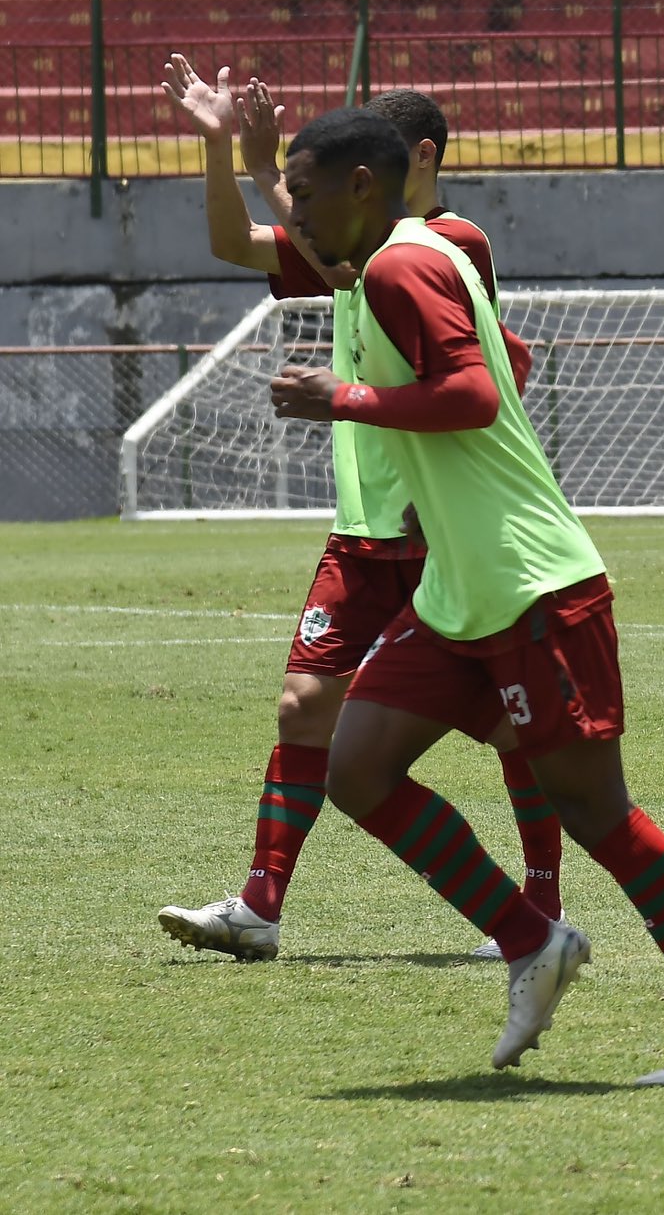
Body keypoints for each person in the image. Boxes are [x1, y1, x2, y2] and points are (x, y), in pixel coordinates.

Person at [268, 106, 664, 1084]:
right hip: (459, 588)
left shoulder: (398, 264)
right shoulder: (398, 263)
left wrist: (348, 399)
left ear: (360, 185)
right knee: (357, 766)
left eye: (303, 190)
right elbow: (507, 360)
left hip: (530, 582)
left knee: (595, 812)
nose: (293, 211)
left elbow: (477, 393)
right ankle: (529, 939)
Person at [153, 57, 564, 961]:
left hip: (439, 531)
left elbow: (343, 262)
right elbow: (237, 245)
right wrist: (224, 151)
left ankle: (541, 903)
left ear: (405, 161)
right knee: (304, 707)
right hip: (361, 531)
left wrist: (268, 167)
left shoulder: (449, 243)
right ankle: (260, 906)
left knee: (508, 726)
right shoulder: (359, 247)